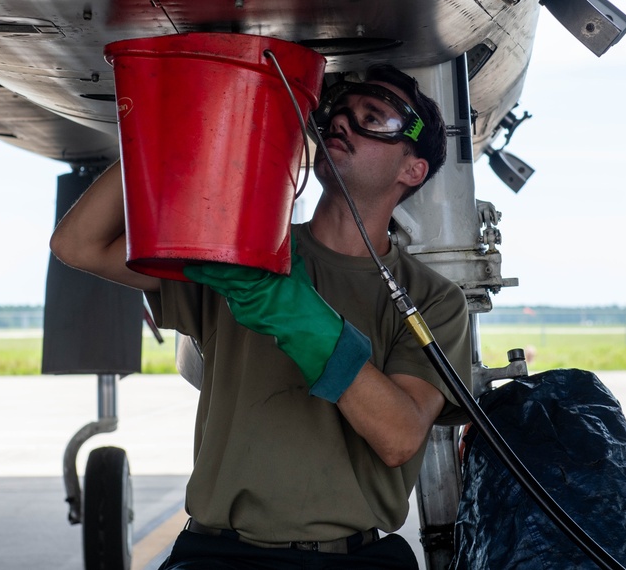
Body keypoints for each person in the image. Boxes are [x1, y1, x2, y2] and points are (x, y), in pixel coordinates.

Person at [50, 63, 471, 569]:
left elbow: (399, 437)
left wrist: (301, 318)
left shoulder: (433, 300)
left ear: (413, 169)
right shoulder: (243, 254)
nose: (342, 123)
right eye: (339, 114)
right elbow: (78, 245)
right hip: (216, 554)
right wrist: (166, 131)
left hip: (348, 560)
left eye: (373, 118)